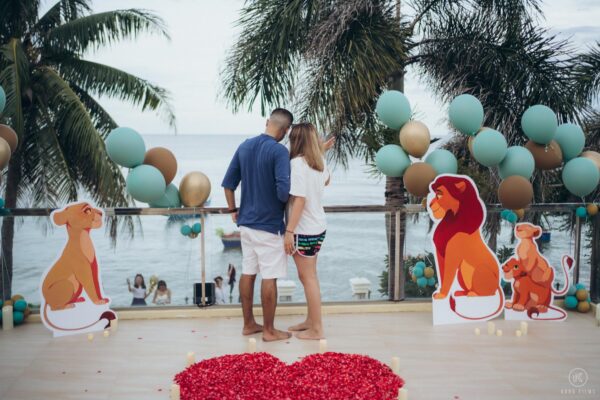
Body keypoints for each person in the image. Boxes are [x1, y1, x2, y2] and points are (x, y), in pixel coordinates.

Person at [222, 108, 294, 342]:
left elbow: (228, 184)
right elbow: (283, 191)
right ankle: (270, 331)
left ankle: (248, 324)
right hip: (269, 224)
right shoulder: (279, 151)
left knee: (248, 272)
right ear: (285, 131)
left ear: (267, 122)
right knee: (270, 276)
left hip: (246, 224)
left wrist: (233, 210)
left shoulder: (244, 146)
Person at [285, 123, 331, 340]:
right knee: (310, 277)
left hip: (304, 230)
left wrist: (289, 231)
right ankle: (311, 321)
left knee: (308, 277)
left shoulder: (297, 164)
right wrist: (321, 151)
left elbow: (300, 200)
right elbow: (327, 181)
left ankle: (317, 329)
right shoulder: (319, 163)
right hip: (318, 226)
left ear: (296, 140)